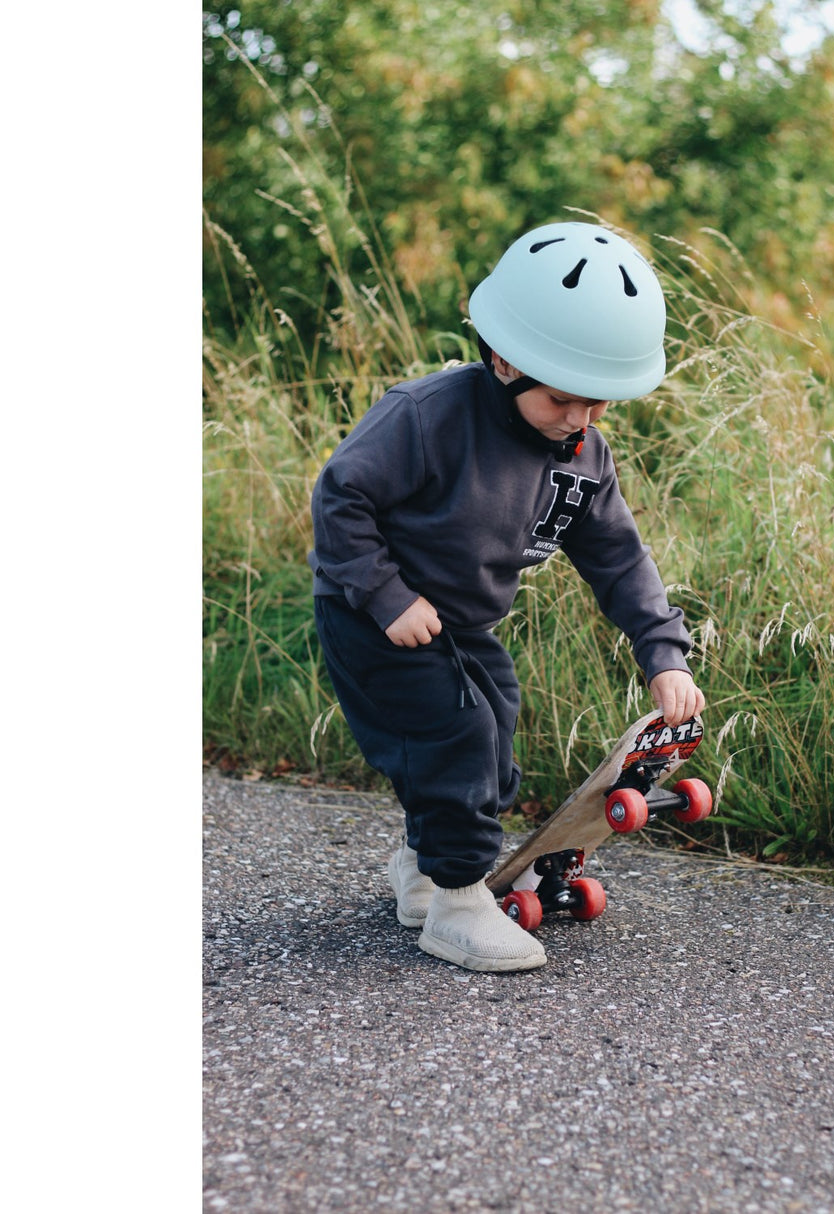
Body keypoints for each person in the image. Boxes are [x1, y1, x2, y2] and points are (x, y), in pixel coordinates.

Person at [308, 221, 706, 973]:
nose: (580, 421)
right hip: (373, 615)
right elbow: (340, 498)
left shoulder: (582, 456)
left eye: (598, 404)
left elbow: (619, 558)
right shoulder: (426, 417)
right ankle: (457, 905)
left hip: (460, 624)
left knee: (494, 735)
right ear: (504, 361)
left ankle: (424, 866)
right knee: (456, 737)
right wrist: (387, 595)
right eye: (562, 400)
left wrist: (663, 654)